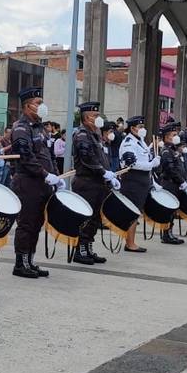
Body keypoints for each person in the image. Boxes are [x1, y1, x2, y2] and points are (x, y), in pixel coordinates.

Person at [10, 87, 63, 278]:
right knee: (26, 223)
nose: (42, 106)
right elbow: (25, 156)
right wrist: (44, 174)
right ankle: (20, 263)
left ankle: (30, 260)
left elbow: (48, 156)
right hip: (28, 182)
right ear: (27, 106)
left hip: (42, 183)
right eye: (38, 103)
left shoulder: (40, 127)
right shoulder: (21, 127)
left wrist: (55, 176)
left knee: (37, 223)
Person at [71, 103, 119, 265]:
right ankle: (80, 250)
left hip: (98, 183)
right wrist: (103, 172)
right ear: (86, 118)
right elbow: (87, 158)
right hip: (86, 183)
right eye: (94, 115)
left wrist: (109, 175)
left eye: (98, 115)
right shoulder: (82, 135)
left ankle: (88, 247)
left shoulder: (96, 135)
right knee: (86, 218)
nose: (98, 118)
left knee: (95, 218)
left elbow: (101, 157)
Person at [119, 115, 160, 252]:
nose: (143, 129)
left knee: (136, 213)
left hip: (141, 181)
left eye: (143, 126)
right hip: (132, 181)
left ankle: (131, 242)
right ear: (132, 128)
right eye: (140, 127)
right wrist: (150, 165)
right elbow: (131, 163)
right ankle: (130, 244)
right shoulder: (128, 143)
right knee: (133, 212)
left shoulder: (140, 141)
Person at [158, 123, 187, 244]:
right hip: (169, 184)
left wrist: (185, 179)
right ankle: (166, 234)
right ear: (167, 136)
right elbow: (170, 169)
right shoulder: (166, 151)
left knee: (173, 210)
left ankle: (169, 232)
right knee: (168, 210)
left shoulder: (173, 150)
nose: (177, 136)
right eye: (174, 134)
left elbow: (179, 167)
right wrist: (181, 181)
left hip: (176, 184)